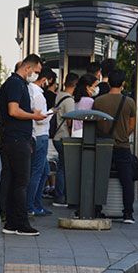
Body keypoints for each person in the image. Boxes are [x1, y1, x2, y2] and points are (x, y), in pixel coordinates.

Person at [0, 54, 46, 236]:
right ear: (28, 68)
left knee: (12, 180)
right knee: (21, 182)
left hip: (11, 138)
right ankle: (22, 224)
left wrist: (31, 112)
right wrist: (35, 116)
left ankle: (10, 223)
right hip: (17, 139)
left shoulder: (13, 83)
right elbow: (13, 110)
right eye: (37, 72)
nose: (37, 75)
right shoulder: (17, 84)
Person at [93, 69, 137, 223]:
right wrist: (124, 133)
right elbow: (132, 125)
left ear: (109, 82)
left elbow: (95, 123)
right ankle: (128, 213)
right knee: (126, 179)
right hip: (122, 145)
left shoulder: (98, 101)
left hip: (103, 144)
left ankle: (97, 209)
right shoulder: (129, 102)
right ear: (123, 84)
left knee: (100, 178)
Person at [26, 67, 56, 217]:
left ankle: (37, 204)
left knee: (44, 172)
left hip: (37, 136)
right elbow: (39, 119)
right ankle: (31, 206)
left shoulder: (30, 91)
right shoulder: (38, 96)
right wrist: (51, 113)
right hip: (41, 135)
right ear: (45, 80)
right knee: (37, 173)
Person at [52, 72, 78, 207]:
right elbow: (69, 121)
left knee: (61, 167)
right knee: (64, 168)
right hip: (64, 137)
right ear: (75, 84)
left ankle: (59, 195)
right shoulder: (69, 100)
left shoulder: (59, 96)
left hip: (56, 136)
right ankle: (60, 196)